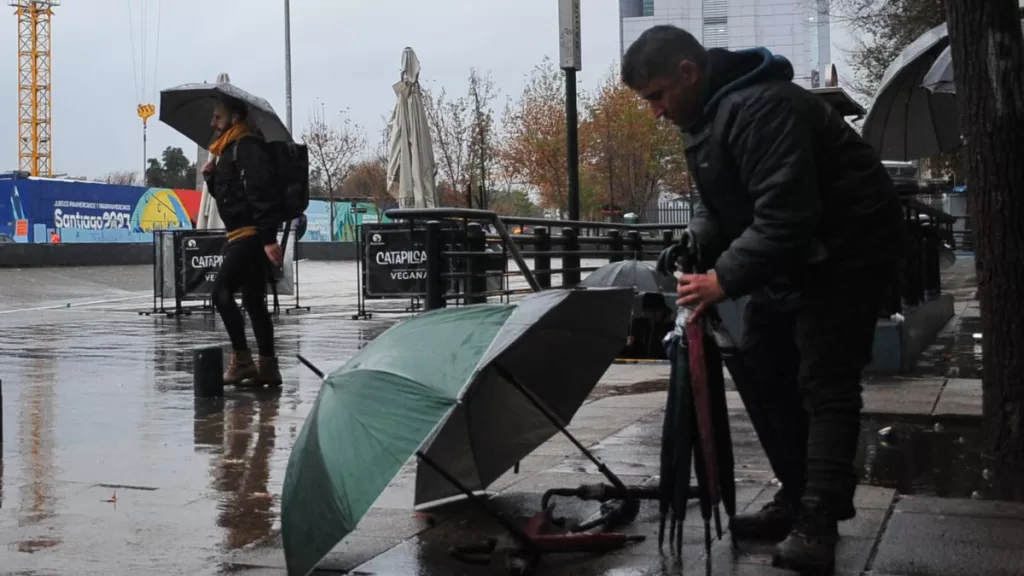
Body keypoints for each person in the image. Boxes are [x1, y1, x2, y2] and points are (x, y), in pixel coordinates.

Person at [622, 25, 907, 573]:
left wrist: (721, 280)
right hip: (799, 253)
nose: (654, 112)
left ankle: (817, 523)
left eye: (656, 96)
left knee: (825, 378)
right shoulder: (706, 117)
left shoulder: (761, 108)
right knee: (759, 360)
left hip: (847, 249)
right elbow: (720, 204)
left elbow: (785, 216)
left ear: (689, 72)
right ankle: (798, 495)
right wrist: (697, 243)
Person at [202, 95, 284, 387]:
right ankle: (269, 367)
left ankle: (243, 360)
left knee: (220, 292)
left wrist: (268, 238)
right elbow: (231, 197)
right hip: (243, 233)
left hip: (249, 235)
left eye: (218, 117)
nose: (213, 123)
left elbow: (261, 192)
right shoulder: (229, 150)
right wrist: (211, 180)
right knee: (252, 300)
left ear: (235, 119)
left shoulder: (247, 146)